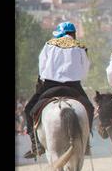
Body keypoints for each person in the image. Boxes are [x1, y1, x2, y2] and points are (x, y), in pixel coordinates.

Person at [23, 22, 94, 158]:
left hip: (50, 85)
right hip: (74, 86)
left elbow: (42, 66)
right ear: (73, 34)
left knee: (29, 109)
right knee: (89, 108)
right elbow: (85, 69)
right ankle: (86, 143)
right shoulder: (80, 47)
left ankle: (35, 143)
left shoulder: (49, 44)